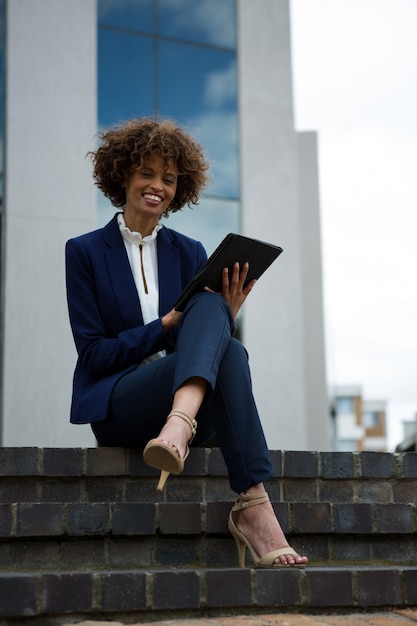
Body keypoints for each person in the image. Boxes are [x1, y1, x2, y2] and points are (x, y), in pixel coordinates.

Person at [65, 117, 308, 568]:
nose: (158, 186)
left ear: (182, 188)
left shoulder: (190, 251)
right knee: (224, 339)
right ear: (122, 175)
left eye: (170, 179)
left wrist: (222, 316)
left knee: (223, 329)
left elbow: (202, 339)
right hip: (121, 404)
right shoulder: (83, 252)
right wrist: (163, 326)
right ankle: (251, 506)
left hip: (183, 414)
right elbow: (94, 355)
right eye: (147, 173)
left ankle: (236, 485)